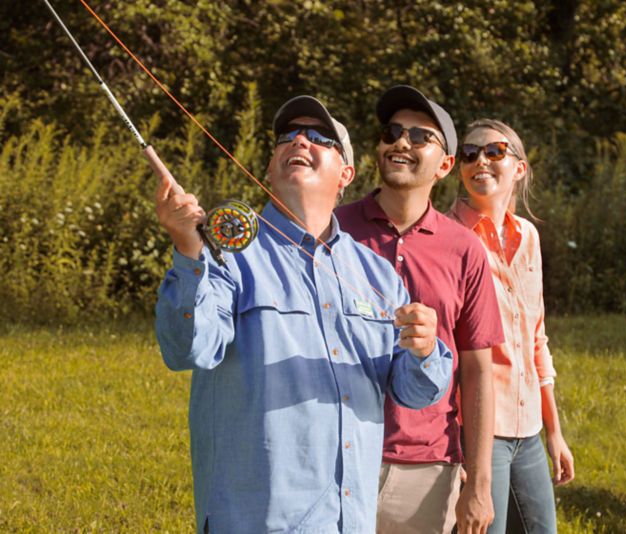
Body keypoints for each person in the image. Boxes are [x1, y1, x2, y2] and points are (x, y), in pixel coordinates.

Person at [154, 95, 453, 534]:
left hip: (349, 522)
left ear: (345, 175)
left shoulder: (379, 274)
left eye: (319, 138)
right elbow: (187, 349)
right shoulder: (226, 256)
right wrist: (186, 249)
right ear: (271, 170)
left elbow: (413, 392)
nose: (299, 140)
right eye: (287, 137)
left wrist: (425, 351)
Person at [336, 86, 504, 534]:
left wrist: (480, 483)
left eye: (419, 136)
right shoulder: (332, 230)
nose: (401, 143)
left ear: (446, 164)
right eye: (392, 132)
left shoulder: (465, 249)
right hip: (336, 455)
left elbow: (479, 371)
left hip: (426, 469)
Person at [447, 118, 575, 534]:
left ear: (518, 167)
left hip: (528, 430)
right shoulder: (448, 238)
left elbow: (535, 338)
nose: (479, 160)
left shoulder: (529, 237)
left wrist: (553, 432)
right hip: (479, 431)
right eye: (469, 153)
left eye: (494, 151)